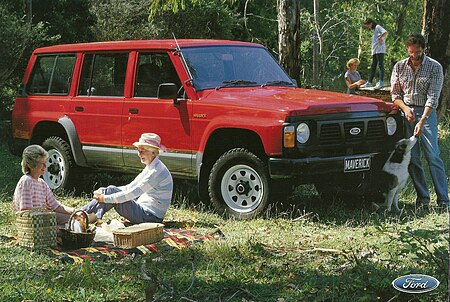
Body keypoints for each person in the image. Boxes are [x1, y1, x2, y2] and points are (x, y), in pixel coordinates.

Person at [390, 33, 449, 208]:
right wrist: (405, 109)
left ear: (423, 49)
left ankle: (444, 200)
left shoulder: (434, 67)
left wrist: (422, 121)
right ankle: (423, 198)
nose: (414, 56)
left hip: (427, 113)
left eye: (417, 52)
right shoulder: (400, 66)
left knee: (433, 156)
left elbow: (433, 97)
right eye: (411, 52)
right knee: (413, 158)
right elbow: (395, 94)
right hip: (407, 112)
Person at [81, 133, 173, 224]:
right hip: (145, 211)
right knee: (111, 189)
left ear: (153, 152)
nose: (139, 154)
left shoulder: (156, 172)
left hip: (150, 216)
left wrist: (105, 198)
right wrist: (104, 191)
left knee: (111, 193)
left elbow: (133, 193)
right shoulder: (152, 166)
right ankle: (85, 216)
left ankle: (82, 215)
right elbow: (130, 186)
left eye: (142, 151)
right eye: (138, 150)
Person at [13, 145, 78, 225]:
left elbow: (55, 206)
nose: (45, 166)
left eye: (45, 162)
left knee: (75, 220)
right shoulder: (27, 181)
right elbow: (26, 212)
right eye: (42, 163)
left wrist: (74, 212)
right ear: (31, 165)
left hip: (43, 218)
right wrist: (45, 211)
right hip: (32, 224)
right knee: (70, 224)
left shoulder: (42, 183)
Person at [361, 18, 388, 89]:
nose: (367, 27)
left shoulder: (377, 27)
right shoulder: (374, 30)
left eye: (367, 25)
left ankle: (381, 81)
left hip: (380, 49)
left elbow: (385, 32)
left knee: (380, 65)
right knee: (373, 66)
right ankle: (369, 82)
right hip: (375, 50)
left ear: (371, 23)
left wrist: (380, 37)